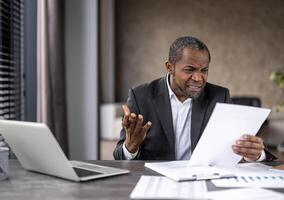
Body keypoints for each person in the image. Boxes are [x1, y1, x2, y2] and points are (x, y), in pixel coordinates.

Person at [113, 36, 276, 161]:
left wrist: (256, 153)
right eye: (189, 69)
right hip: (155, 182)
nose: (198, 78)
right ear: (170, 67)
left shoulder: (219, 96)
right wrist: (131, 147)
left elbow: (240, 145)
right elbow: (119, 156)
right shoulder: (141, 96)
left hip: (203, 182)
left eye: (204, 70)